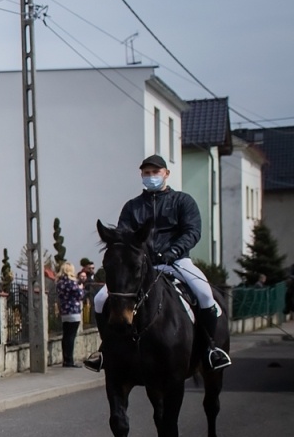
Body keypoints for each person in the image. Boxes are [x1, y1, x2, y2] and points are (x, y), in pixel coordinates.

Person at [84, 155, 231, 371]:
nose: (151, 176)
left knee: (206, 295)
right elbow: (124, 236)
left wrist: (174, 251)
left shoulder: (183, 201)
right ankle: (105, 350)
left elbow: (192, 231)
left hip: (177, 262)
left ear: (166, 174)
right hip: (142, 266)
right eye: (147, 173)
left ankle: (211, 349)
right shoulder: (132, 207)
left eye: (155, 172)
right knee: (99, 299)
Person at [55, 261, 84, 367]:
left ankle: (65, 359)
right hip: (73, 312)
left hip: (64, 312)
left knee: (66, 336)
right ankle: (70, 360)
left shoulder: (59, 283)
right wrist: (81, 289)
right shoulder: (72, 283)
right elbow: (80, 295)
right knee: (71, 336)